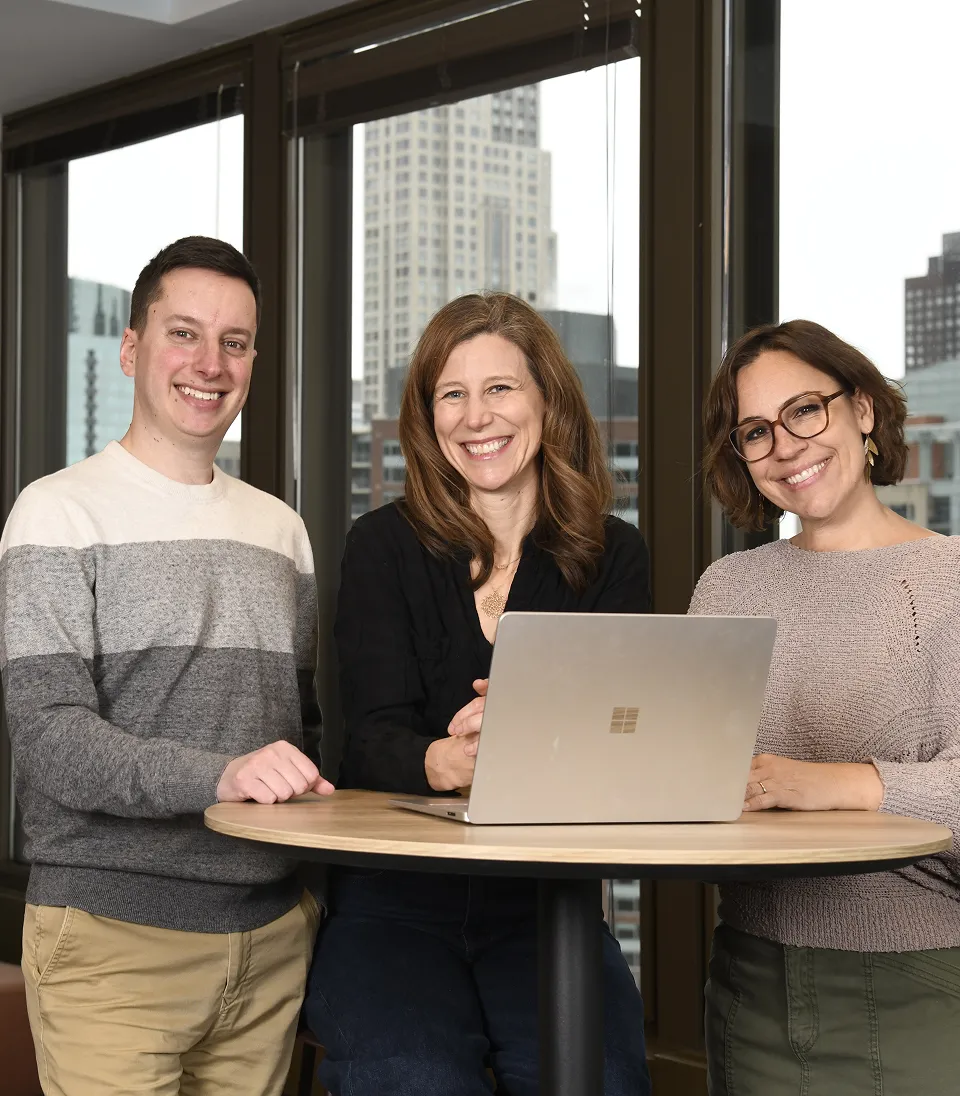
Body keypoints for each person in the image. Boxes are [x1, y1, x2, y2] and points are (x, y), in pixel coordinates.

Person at [0, 236, 334, 1096]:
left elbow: (304, 737)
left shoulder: (282, 532)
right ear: (131, 347)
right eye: (183, 333)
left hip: (268, 945)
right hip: (114, 944)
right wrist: (222, 776)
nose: (210, 363)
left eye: (235, 341)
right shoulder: (55, 513)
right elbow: (51, 740)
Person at [303, 292, 651, 1096]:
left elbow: (625, 745)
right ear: (427, 419)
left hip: (545, 904)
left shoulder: (610, 555)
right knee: (417, 1079)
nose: (475, 416)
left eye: (500, 388)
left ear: (546, 401)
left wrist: (535, 732)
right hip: (393, 902)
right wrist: (447, 760)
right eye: (450, 394)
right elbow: (368, 741)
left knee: (599, 1079)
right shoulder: (381, 546)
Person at [690, 318, 960, 1095]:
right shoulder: (727, 589)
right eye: (755, 431)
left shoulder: (948, 582)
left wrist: (840, 783)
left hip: (919, 987)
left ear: (864, 410)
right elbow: (679, 782)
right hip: (750, 979)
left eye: (806, 410)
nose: (787, 446)